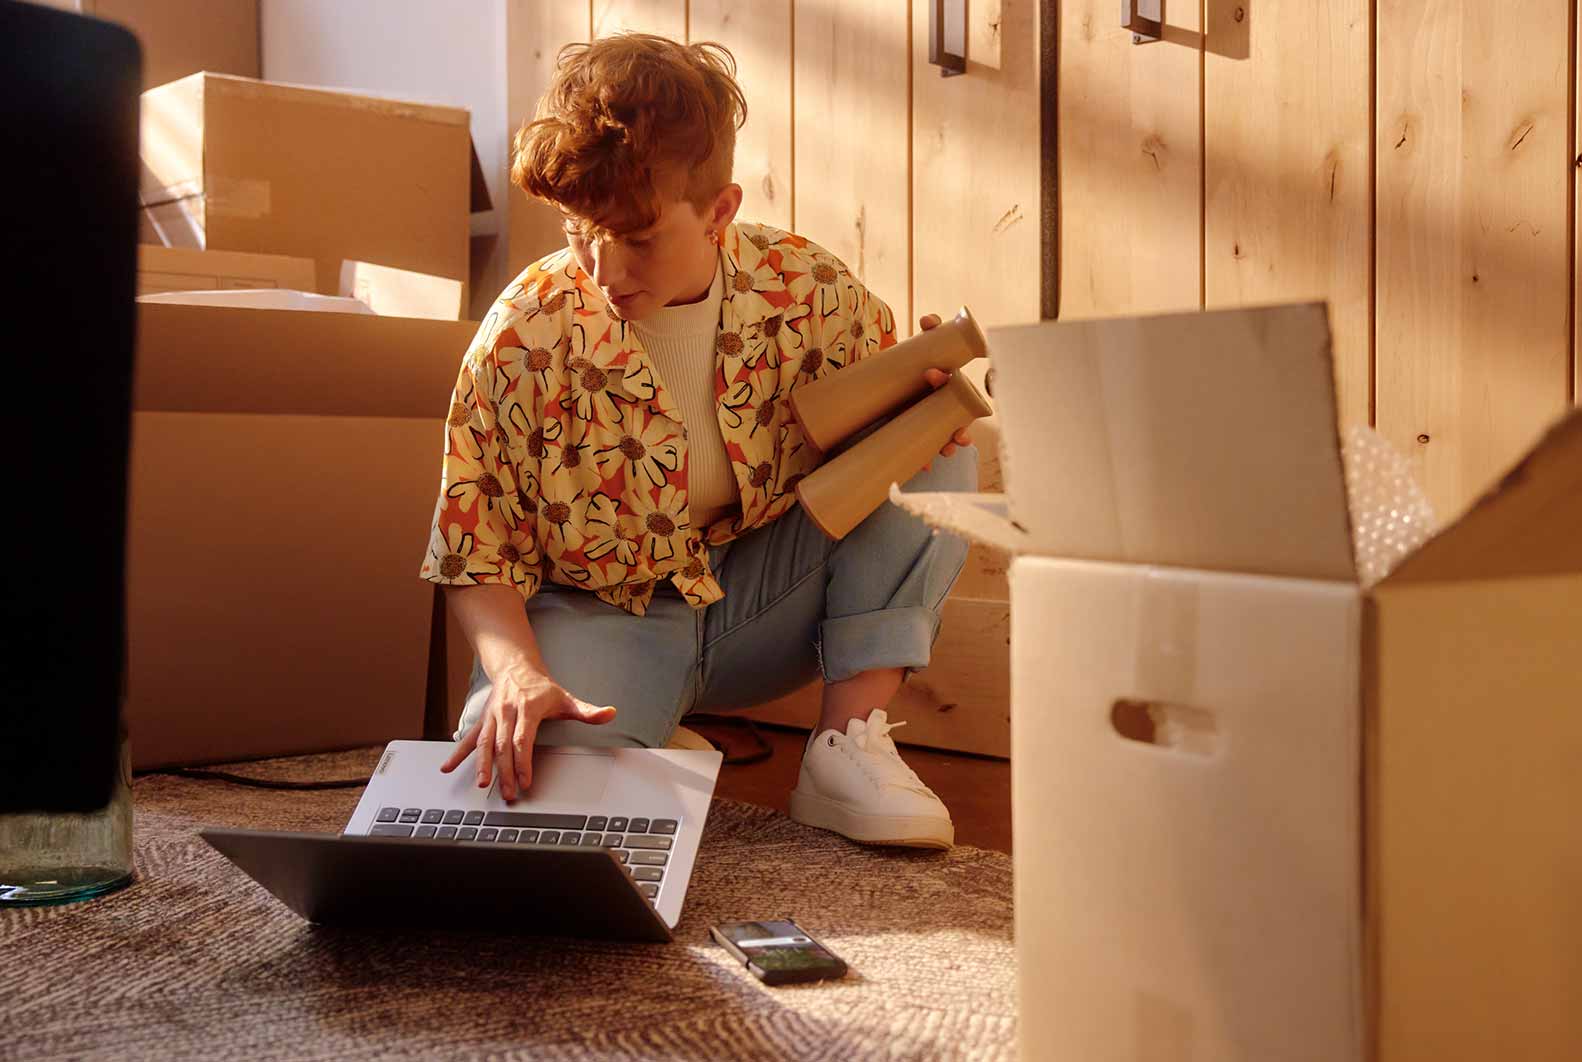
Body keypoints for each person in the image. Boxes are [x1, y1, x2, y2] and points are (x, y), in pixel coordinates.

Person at [419, 33, 977, 849]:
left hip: (766, 603)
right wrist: (517, 674)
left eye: (638, 239)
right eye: (581, 232)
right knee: (532, 818)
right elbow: (474, 547)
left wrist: (925, 408)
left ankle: (844, 747)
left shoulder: (810, 290)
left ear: (721, 211)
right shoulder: (522, 334)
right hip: (599, 614)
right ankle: (652, 737)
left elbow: (881, 457)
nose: (603, 272)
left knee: (940, 453)